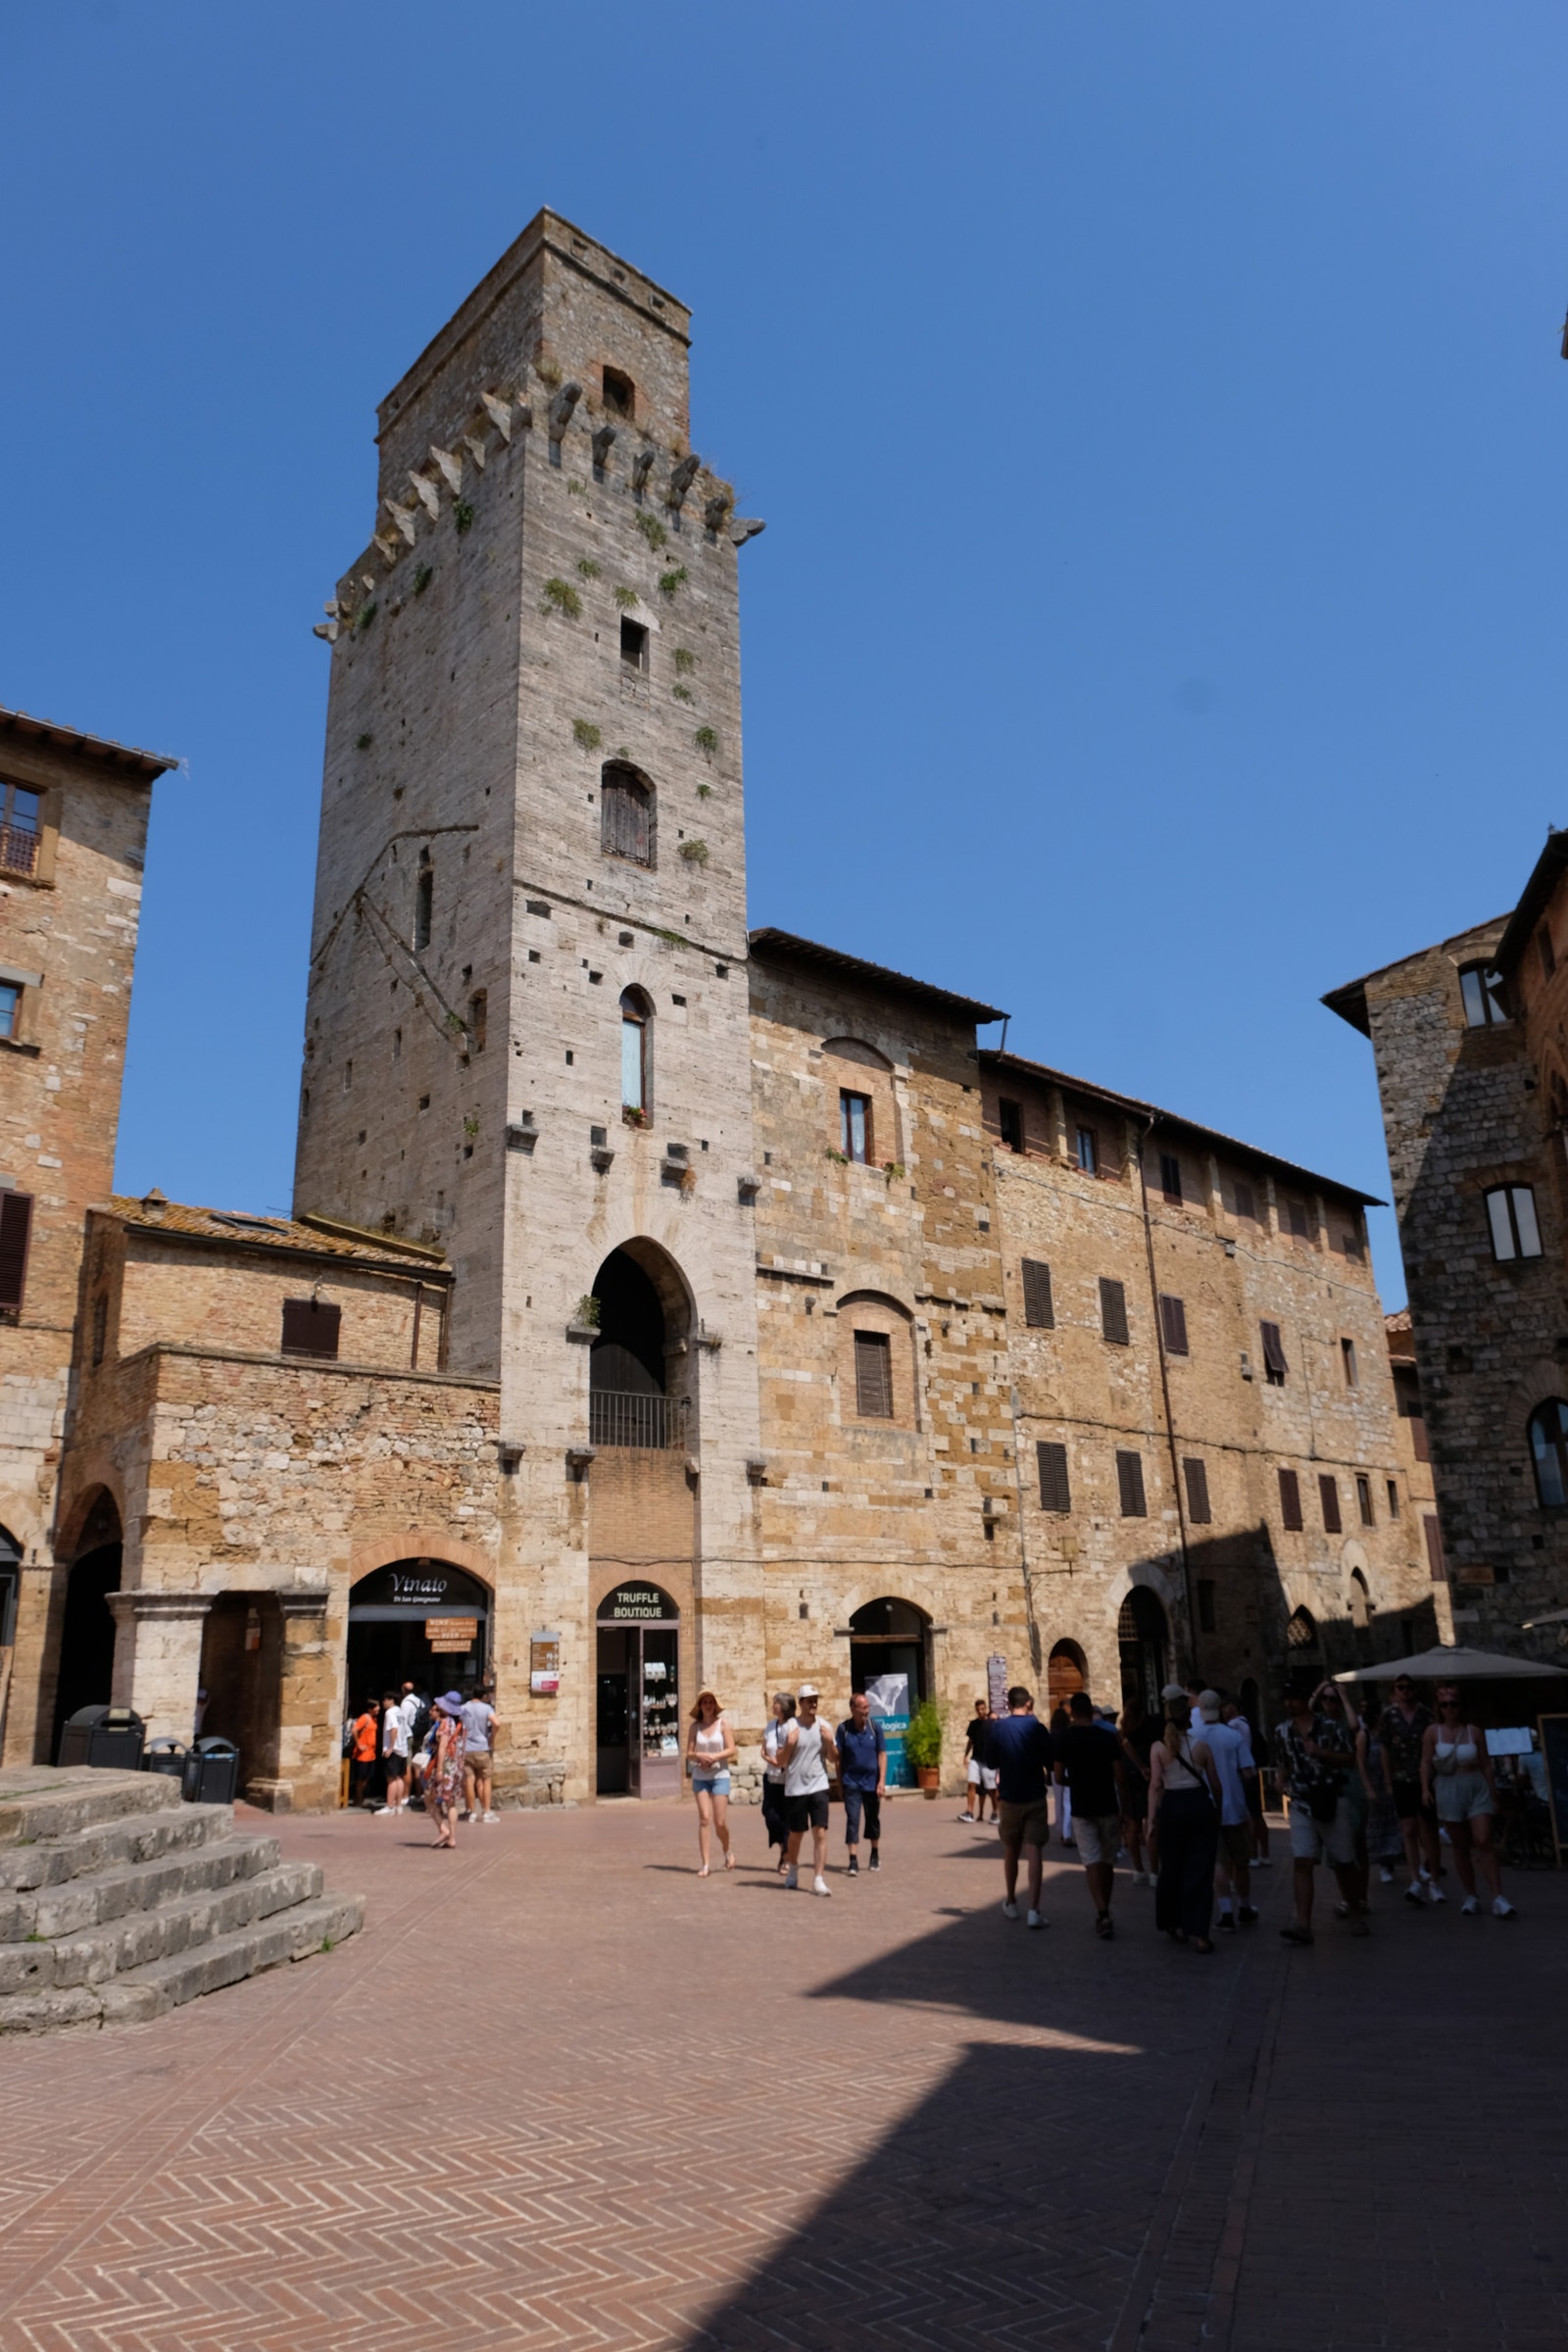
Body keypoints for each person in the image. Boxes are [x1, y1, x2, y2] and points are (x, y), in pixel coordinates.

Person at [1276, 1681, 1365, 1945]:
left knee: (1344, 1861)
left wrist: (1322, 1752)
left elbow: (1350, 1758)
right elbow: (1283, 1762)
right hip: (1301, 1802)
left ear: (1305, 1701)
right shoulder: (1281, 1731)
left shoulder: (1328, 1726)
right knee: (1302, 1861)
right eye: (1286, 1699)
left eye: (1293, 1698)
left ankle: (1357, 1913)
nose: (1288, 1704)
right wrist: (1280, 1779)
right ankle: (1303, 1923)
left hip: (1331, 1799)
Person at [1421, 1684, 1517, 1919]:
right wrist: (1425, 1788)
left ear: (1461, 1706)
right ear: (1439, 1708)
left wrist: (1493, 1791)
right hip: (1448, 1787)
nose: (1450, 1709)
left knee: (1483, 1840)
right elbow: (1425, 1762)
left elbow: (1485, 1763)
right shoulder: (1433, 1732)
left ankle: (1498, 1896)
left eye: (1454, 1704)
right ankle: (1471, 1895)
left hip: (1475, 1785)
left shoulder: (1474, 1731)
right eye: (1445, 1705)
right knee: (1460, 1845)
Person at [1147, 1686, 1222, 1952]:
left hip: (1172, 1806)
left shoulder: (1158, 1748)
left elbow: (1156, 1784)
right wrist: (1219, 1811)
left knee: (1172, 1868)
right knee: (1200, 1870)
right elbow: (1215, 1782)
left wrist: (1151, 1820)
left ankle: (1173, 1922)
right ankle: (1200, 1933)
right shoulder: (1201, 1747)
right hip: (1199, 1805)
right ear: (1189, 1719)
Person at [1053, 1690, 1128, 1939]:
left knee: (1091, 1860)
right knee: (1107, 1860)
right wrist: (1124, 1809)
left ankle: (1103, 1911)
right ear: (1091, 1712)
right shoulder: (1106, 1737)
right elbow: (1119, 1775)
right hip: (1107, 1804)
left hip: (1082, 1806)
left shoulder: (1065, 1739)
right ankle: (1105, 1907)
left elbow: (1058, 1776)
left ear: (1073, 1712)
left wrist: (1075, 1779)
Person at [989, 1685, 1054, 1929]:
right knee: (1034, 1850)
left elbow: (991, 1761)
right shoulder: (1037, 1728)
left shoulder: (998, 1729)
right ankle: (1034, 1910)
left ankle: (1011, 1900)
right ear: (1028, 1703)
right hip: (1035, 1795)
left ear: (1008, 1704)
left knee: (1010, 1849)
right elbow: (1050, 1760)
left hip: (1008, 1797)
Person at [1376, 1673, 1442, 1905]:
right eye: (1400, 1688)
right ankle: (1415, 1878)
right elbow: (1384, 1747)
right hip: (1401, 1777)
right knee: (1408, 1828)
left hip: (1426, 1778)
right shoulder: (1389, 1716)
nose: (1405, 1691)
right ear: (1395, 1690)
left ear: (1415, 1690)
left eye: (1408, 1687)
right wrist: (1387, 1779)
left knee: (1429, 1829)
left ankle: (1433, 1879)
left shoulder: (1425, 1714)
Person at [1197, 1691, 1257, 1931]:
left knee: (1219, 1862)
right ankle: (1245, 1907)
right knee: (1240, 1860)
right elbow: (1249, 1772)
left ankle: (1226, 1912)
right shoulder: (1232, 1736)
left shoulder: (1194, 1737)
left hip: (1207, 1808)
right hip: (1234, 1807)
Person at [778, 1684, 838, 1895]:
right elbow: (780, 1760)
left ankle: (818, 1879)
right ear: (801, 1702)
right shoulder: (789, 1728)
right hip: (795, 1788)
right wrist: (789, 1744)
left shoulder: (824, 1726)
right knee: (796, 1834)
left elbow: (833, 1757)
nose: (814, 1703)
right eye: (809, 1700)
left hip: (819, 1785)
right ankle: (793, 1868)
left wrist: (829, 1742)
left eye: (816, 1700)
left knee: (820, 1832)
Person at [686, 1689, 737, 1876]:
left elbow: (731, 1749)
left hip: (719, 1776)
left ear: (715, 1705)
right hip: (700, 1777)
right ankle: (705, 1864)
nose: (708, 1705)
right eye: (704, 1702)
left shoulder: (722, 1724)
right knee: (704, 1819)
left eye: (710, 1702)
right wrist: (699, 1756)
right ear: (700, 1706)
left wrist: (714, 1757)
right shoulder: (694, 1727)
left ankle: (727, 1850)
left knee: (720, 1821)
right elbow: (689, 1753)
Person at [837, 1691, 888, 1876]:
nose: (867, 1711)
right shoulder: (843, 1730)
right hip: (851, 1782)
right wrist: (840, 1785)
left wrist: (882, 1781)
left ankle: (874, 1853)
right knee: (853, 1819)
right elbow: (839, 1760)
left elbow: (882, 1755)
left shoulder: (876, 1728)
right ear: (853, 1709)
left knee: (872, 1818)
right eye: (863, 1707)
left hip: (872, 1782)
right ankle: (853, 1859)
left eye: (868, 1707)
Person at [1117, 1699, 1155, 1884]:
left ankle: (1138, 1869)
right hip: (1148, 1774)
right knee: (1151, 1823)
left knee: (1133, 1827)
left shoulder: (1123, 1732)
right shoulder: (1148, 1730)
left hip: (1130, 1777)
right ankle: (1155, 1871)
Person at [423, 1690, 466, 1848]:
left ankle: (443, 1829)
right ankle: (452, 1838)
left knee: (428, 1797)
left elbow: (442, 1747)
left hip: (446, 1767)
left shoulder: (445, 1723)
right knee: (451, 1803)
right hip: (457, 1768)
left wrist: (439, 1769)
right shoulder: (461, 1724)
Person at [761, 1691, 796, 1870]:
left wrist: (780, 1761)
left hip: (789, 1780)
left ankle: (786, 1856)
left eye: (775, 1703)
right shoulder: (770, 1725)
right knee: (770, 1815)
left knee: (787, 1819)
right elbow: (764, 1750)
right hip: (771, 1778)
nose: (773, 1706)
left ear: (783, 1707)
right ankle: (784, 1848)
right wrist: (771, 1760)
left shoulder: (793, 1726)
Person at [459, 1688, 498, 1822]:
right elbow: (496, 1723)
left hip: (467, 1747)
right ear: (483, 1695)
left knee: (469, 1780)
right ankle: (486, 1811)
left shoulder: (463, 1708)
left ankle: (472, 1811)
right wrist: (491, 1737)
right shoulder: (487, 1708)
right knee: (486, 1779)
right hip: (482, 1746)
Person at [959, 1699, 998, 1825]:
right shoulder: (974, 1724)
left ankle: (996, 1813)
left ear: (986, 1708)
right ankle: (969, 1812)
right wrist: (965, 1755)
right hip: (975, 1758)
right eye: (978, 1709)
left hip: (988, 1760)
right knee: (971, 1784)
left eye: (983, 1709)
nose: (981, 1711)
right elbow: (970, 1741)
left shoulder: (992, 1723)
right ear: (976, 1710)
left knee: (992, 1789)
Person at [377, 1690, 411, 1815]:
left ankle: (390, 1806)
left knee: (391, 1778)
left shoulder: (390, 1713)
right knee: (399, 1778)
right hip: (402, 1748)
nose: (383, 1703)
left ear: (391, 1700)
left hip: (394, 1749)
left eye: (385, 1700)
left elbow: (394, 1729)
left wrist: (390, 1748)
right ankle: (398, 1805)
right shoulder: (400, 1712)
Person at [1049, 1705, 1075, 1847]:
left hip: (1054, 1770)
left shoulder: (1051, 1735)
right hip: (1067, 1768)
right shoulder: (1068, 1734)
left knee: (1059, 1802)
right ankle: (1067, 1833)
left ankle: (1061, 1829)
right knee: (1068, 1802)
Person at [349, 1697, 379, 1808]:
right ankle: (358, 1798)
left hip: (371, 1753)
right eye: (376, 1706)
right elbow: (354, 1729)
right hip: (363, 1754)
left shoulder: (373, 1719)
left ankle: (360, 1796)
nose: (378, 1708)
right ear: (370, 1709)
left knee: (367, 1777)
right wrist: (359, 1744)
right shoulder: (365, 1718)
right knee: (361, 1777)